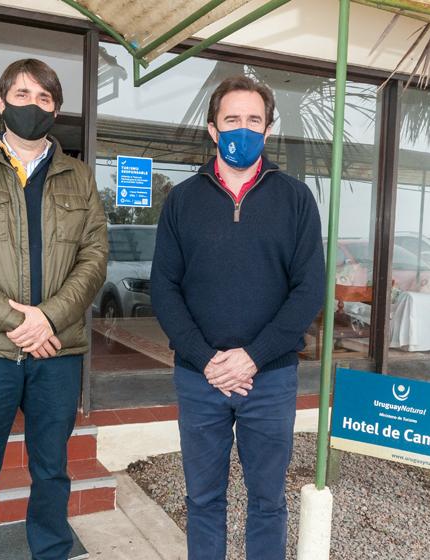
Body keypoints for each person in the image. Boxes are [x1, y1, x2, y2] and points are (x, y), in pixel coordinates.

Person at [0, 58, 107, 560]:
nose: (34, 105)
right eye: (24, 94)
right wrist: (19, 322)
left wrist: (48, 318)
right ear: (0, 101)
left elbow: (94, 257)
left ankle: (51, 552)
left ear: (57, 110)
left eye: (45, 98)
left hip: (58, 349)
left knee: (52, 468)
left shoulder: (79, 177)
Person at [151, 75, 326, 560]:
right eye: (232, 120)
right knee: (203, 499)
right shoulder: (182, 201)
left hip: (269, 380)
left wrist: (252, 357)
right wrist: (206, 359)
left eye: (254, 120)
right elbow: (164, 289)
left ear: (268, 131)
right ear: (213, 129)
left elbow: (309, 289)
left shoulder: (295, 200)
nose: (242, 129)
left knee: (267, 502)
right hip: (198, 377)